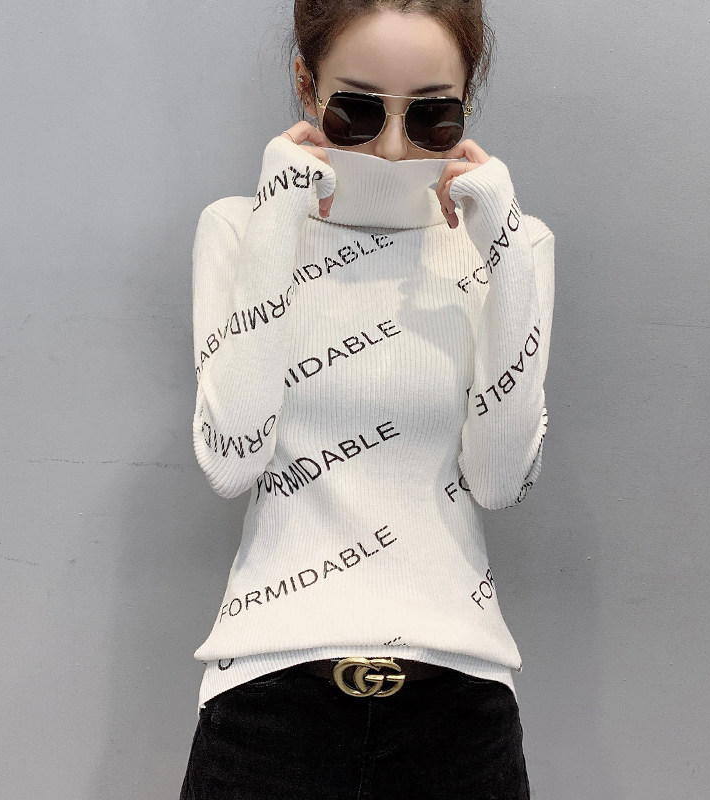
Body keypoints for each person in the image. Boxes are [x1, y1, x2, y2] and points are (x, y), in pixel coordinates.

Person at [179, 1, 554, 797]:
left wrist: (505, 246)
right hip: (267, 702)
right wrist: (278, 219)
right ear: (305, 83)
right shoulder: (238, 229)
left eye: (432, 117)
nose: (390, 146)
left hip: (459, 709)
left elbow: (499, 482)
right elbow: (231, 461)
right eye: (355, 111)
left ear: (466, 103)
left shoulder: (513, 243)